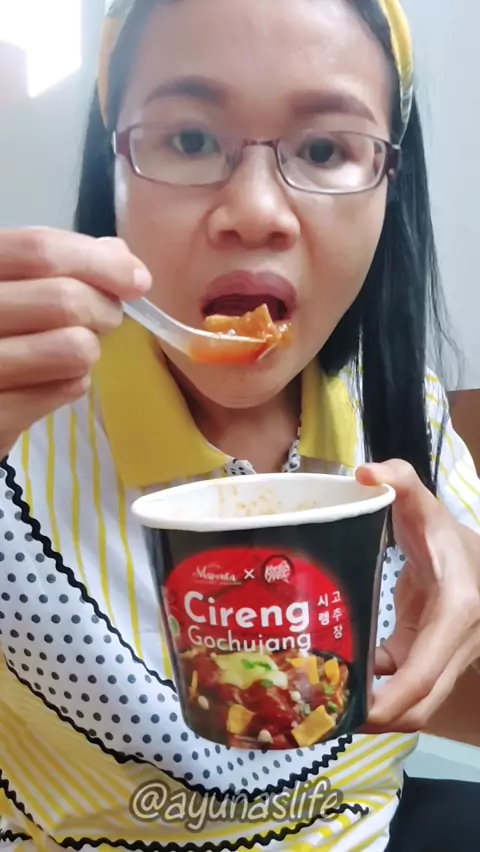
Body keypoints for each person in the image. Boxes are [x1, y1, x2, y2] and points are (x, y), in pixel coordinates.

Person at [0, 0, 479, 850]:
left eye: (325, 150)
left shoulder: (417, 415)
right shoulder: (22, 432)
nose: (255, 211)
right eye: (188, 139)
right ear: (113, 167)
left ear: (389, 189)